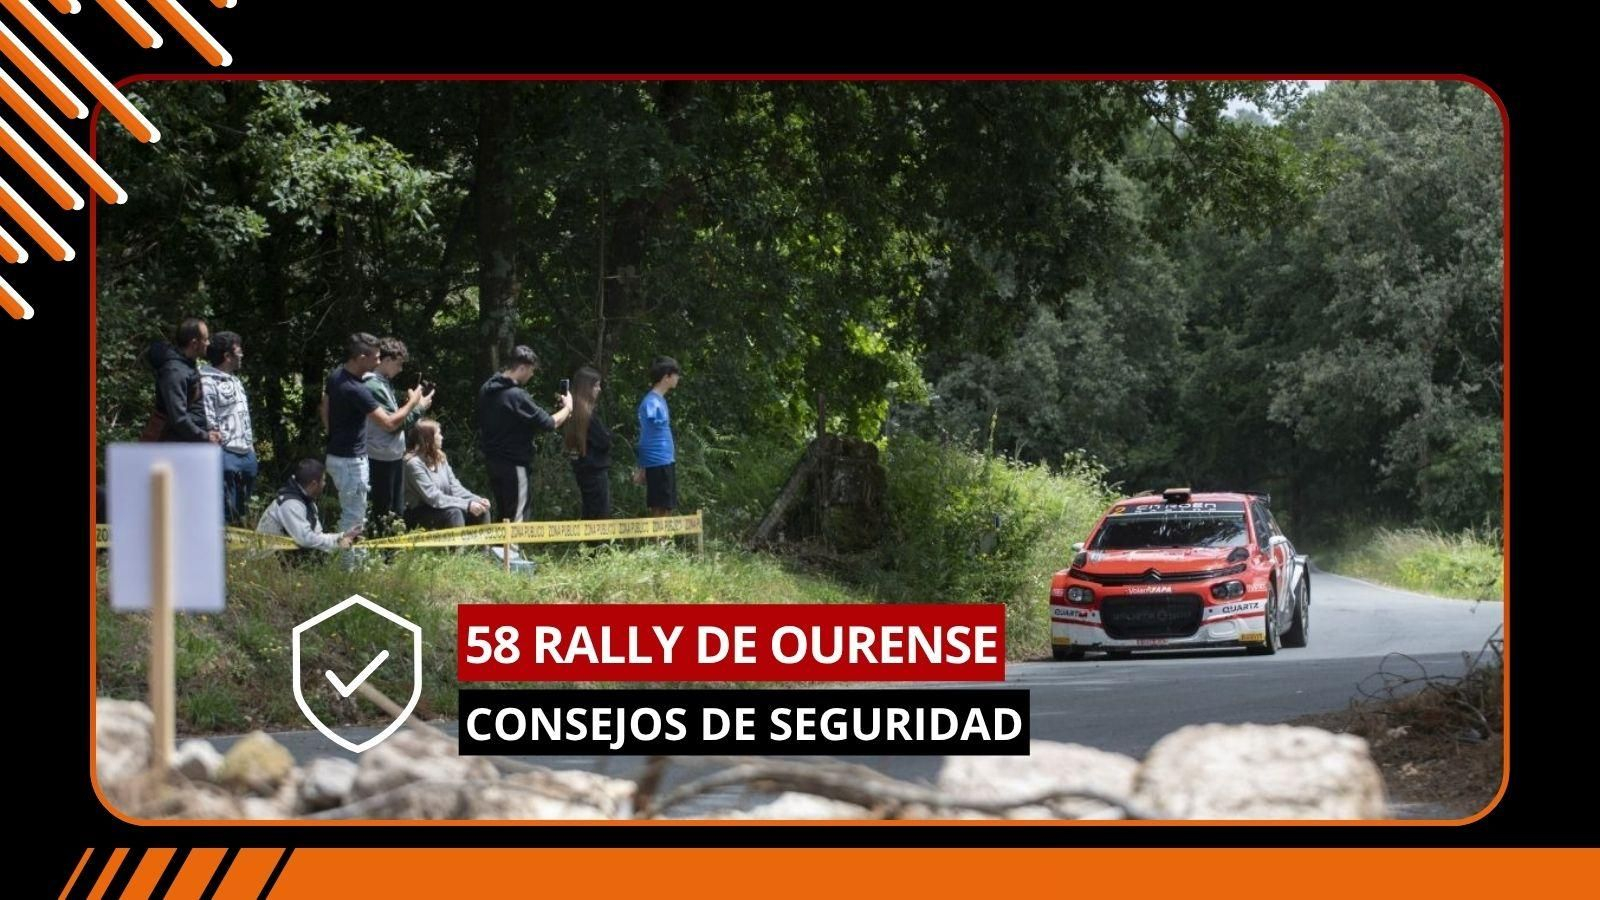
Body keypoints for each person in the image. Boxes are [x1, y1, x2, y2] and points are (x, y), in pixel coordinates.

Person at [324, 332, 424, 535]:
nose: (379, 360)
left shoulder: (336, 376)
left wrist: (331, 433)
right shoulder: (358, 389)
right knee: (354, 518)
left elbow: (324, 404)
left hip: (338, 455)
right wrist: (414, 403)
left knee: (356, 515)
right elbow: (389, 423)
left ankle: (356, 560)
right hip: (352, 461)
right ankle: (350, 565)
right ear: (362, 358)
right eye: (376, 357)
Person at [475, 345, 572, 523]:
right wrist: (568, 408)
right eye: (531, 370)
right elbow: (550, 423)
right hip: (515, 464)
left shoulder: (486, 389)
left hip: (493, 462)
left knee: (503, 514)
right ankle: (512, 550)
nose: (532, 375)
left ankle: (500, 550)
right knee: (517, 516)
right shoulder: (516, 396)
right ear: (522, 368)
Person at [364, 337, 432, 533]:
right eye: (398, 364)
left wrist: (415, 407)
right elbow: (392, 426)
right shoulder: (373, 385)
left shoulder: (384, 383)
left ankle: (391, 557)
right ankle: (381, 556)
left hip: (392, 456)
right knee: (382, 512)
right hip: (379, 457)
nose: (401, 369)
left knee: (395, 511)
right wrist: (417, 407)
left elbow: (398, 419)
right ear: (386, 360)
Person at [199, 331, 258, 525]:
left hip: (246, 453)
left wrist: (251, 448)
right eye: (238, 351)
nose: (242, 355)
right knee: (224, 510)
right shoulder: (206, 381)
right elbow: (209, 419)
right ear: (227, 356)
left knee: (241, 511)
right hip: (224, 454)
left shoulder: (236, 380)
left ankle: (236, 547)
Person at [256, 459, 361, 558]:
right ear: (314, 484)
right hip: (265, 562)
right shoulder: (290, 504)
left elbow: (317, 536)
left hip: (283, 561)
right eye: (323, 481)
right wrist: (338, 543)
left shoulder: (308, 503)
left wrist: (342, 536)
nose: (324, 484)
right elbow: (306, 539)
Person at [403, 419, 490, 530]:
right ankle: (458, 548)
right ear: (428, 439)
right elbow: (433, 497)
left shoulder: (440, 458)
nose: (442, 437)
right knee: (454, 513)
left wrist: (477, 500)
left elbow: (455, 488)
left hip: (442, 507)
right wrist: (467, 505)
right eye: (438, 433)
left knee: (482, 510)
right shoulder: (413, 464)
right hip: (420, 512)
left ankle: (484, 547)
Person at [143, 317, 220, 444]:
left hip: (188, 442)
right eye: (205, 339)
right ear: (194, 343)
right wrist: (205, 437)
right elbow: (178, 418)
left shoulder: (187, 366)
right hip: (174, 445)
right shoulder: (175, 372)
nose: (208, 343)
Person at [563, 366, 612, 519]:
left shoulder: (573, 413)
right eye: (596, 385)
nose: (599, 389)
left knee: (590, 512)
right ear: (587, 388)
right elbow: (605, 442)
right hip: (594, 472)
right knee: (598, 514)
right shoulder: (586, 416)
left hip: (583, 471)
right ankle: (595, 543)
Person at [635, 356, 681, 516]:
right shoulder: (652, 403)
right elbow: (646, 436)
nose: (678, 378)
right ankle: (658, 541)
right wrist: (643, 467)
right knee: (660, 506)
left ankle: (662, 540)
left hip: (665, 459)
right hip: (658, 460)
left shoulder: (659, 400)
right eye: (675, 374)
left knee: (666, 505)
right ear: (666, 377)